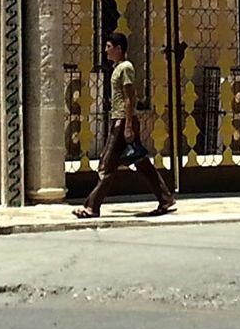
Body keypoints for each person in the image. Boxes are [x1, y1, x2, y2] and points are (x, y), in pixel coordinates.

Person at [74, 32, 175, 218]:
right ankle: (165, 198)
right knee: (141, 162)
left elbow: (130, 97)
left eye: (109, 46)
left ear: (119, 48)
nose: (105, 50)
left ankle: (92, 207)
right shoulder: (117, 68)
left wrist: (127, 124)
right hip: (119, 119)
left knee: (107, 165)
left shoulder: (126, 68)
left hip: (122, 121)